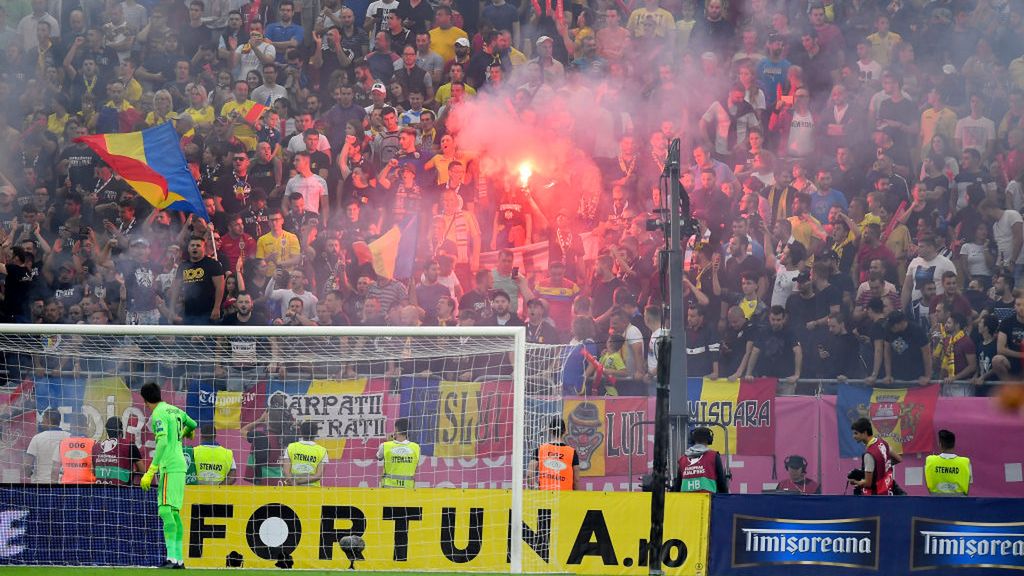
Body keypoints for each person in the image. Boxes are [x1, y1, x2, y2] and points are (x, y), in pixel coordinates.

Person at [140, 381, 198, 569]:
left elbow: (163, 443)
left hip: (170, 465)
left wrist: (151, 470)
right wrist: (187, 431)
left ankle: (171, 559)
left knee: (165, 510)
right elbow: (193, 423)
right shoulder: (174, 410)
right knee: (173, 512)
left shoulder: (158, 413)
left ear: (146, 401)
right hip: (181, 466)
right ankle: (179, 560)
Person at [528, 417, 579, 490]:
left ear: (550, 431)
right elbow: (576, 480)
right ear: (564, 431)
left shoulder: (540, 449)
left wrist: (535, 489)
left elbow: (530, 474)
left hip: (545, 496)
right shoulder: (572, 452)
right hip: (566, 497)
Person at [672, 427, 728, 493]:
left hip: (686, 501)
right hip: (707, 500)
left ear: (693, 440)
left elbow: (677, 486)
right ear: (709, 440)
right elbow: (721, 483)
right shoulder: (714, 456)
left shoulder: (683, 459)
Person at [850, 417, 896, 496]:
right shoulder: (882, 442)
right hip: (888, 491)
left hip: (876, 497)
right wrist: (881, 468)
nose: (853, 436)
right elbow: (898, 459)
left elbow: (868, 483)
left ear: (864, 433)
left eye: (856, 433)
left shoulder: (869, 455)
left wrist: (855, 482)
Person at [93, 416, 145, 486]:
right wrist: (133, 474)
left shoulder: (96, 447)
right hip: (123, 492)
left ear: (107, 430)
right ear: (121, 429)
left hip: (100, 491)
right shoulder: (129, 445)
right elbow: (143, 471)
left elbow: (94, 471)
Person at [24, 408, 68, 483]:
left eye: (43, 418)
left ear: (48, 420)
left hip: (41, 482)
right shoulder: (68, 437)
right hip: (61, 481)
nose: (42, 421)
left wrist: (28, 474)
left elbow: (27, 464)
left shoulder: (37, 438)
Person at [924, 429, 971, 496]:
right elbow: (968, 487)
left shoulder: (930, 460)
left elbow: (928, 486)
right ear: (954, 444)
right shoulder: (965, 462)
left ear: (940, 444)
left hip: (936, 503)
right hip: (960, 504)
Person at [376, 418, 420, 488]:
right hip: (408, 488)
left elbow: (378, 457)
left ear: (396, 430)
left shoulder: (385, 446)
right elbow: (416, 465)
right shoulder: (416, 447)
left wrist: (389, 441)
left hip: (388, 488)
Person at [284, 421, 328, 486]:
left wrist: (294, 482)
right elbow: (318, 475)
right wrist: (299, 482)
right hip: (313, 489)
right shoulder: (322, 450)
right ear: (316, 433)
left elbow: (286, 471)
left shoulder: (291, 447)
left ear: (300, 432)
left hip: (293, 487)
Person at [56, 413, 96, 484]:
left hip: (67, 486)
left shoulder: (62, 443)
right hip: (89, 486)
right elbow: (97, 469)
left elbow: (54, 470)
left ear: (71, 426)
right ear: (86, 426)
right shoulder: (93, 443)